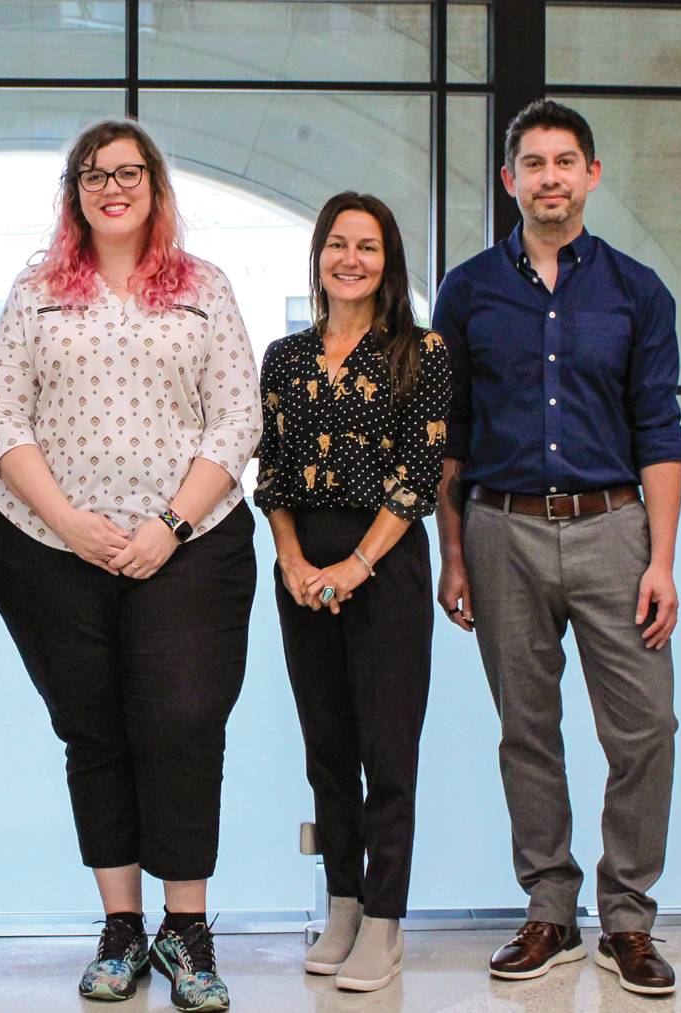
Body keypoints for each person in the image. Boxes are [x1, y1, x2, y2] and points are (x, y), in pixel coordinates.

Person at [0, 119, 261, 1013]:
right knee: (94, 730)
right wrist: (68, 520)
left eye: (128, 172)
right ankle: (122, 927)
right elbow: (2, 420)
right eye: (94, 174)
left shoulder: (203, 288)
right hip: (49, 550)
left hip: (190, 545)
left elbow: (237, 420)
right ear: (75, 191)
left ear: (155, 185)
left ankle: (188, 928)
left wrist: (168, 525)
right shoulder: (35, 292)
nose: (112, 187)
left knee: (181, 723)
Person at [433, 99, 681, 997]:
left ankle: (628, 918)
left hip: (616, 528)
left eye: (565, 161)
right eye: (532, 163)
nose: (550, 177)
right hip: (500, 529)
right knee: (527, 730)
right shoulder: (466, 292)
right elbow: (450, 433)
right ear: (509, 180)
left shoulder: (635, 290)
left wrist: (660, 558)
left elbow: (659, 429)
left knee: (645, 726)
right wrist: (451, 553)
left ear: (592, 175)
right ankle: (550, 906)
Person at [254, 192, 450, 993]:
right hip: (304, 571)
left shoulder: (421, 352)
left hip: (385, 563)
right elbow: (270, 476)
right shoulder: (286, 357)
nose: (351, 259)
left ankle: (384, 919)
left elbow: (418, 476)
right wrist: (296, 562)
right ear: (320, 255)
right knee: (327, 749)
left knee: (386, 749)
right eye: (338, 244)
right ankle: (342, 900)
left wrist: (356, 566)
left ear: (388, 261)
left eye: (367, 247)